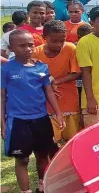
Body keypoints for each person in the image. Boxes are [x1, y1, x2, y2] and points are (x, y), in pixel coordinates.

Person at [1, 29, 65, 193]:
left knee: (42, 156)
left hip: (41, 119)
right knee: (22, 160)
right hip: (18, 121)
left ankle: (42, 187)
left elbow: (49, 91)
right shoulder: (6, 69)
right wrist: (2, 123)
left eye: (30, 45)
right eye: (22, 45)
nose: (28, 49)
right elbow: (2, 97)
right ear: (12, 48)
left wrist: (57, 113)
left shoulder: (41, 67)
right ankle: (25, 190)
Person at [33, 21, 81, 145]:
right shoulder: (35, 53)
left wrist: (56, 81)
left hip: (69, 100)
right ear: (44, 38)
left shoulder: (70, 48)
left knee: (72, 139)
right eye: (54, 41)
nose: (59, 44)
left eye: (62, 41)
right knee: (52, 140)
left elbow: (76, 73)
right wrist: (48, 85)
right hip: (47, 103)